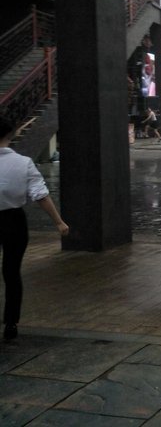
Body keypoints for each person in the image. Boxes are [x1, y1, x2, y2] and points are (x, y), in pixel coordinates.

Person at [0, 112, 69, 340]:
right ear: (11, 134)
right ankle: (11, 323)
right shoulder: (23, 163)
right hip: (14, 221)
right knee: (11, 271)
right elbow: (41, 195)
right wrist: (58, 222)